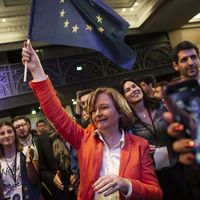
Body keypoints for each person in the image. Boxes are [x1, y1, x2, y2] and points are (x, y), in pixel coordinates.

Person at [22, 42, 162, 200]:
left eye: (103, 107)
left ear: (120, 112)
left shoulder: (139, 146)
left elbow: (155, 193)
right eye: (93, 110)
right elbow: (56, 114)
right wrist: (37, 71)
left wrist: (126, 184)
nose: (97, 113)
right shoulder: (83, 139)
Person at [120, 78, 191, 200]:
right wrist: (141, 148)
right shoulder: (128, 121)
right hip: (152, 172)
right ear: (124, 97)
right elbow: (127, 146)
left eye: (134, 86)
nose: (133, 90)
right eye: (127, 90)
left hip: (175, 163)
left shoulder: (160, 105)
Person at [164, 40, 200, 200]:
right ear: (175, 66)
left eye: (193, 57)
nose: (190, 62)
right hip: (196, 169)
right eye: (184, 60)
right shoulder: (174, 98)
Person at [0, 121, 40, 200]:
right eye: (2, 133)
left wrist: (29, 163)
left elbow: (35, 181)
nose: (7, 135)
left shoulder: (26, 151)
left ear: (15, 134)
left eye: (9, 132)